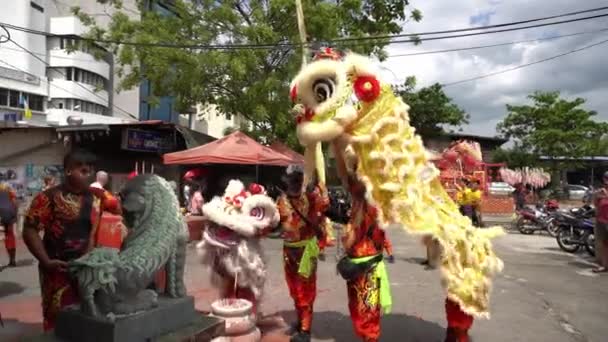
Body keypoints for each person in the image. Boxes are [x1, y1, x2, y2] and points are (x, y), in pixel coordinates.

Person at [22, 149, 121, 331]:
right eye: (83, 171)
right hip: (57, 267)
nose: (89, 175)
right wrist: (45, 260)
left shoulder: (98, 197)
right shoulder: (48, 197)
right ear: (68, 171)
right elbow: (29, 230)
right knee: (59, 318)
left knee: (88, 316)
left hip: (88, 269)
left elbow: (120, 210)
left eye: (91, 170)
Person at [277, 164, 329, 342]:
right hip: (288, 251)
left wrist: (320, 185)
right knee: (294, 289)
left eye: (298, 179)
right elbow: (275, 222)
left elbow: (325, 206)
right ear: (286, 181)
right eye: (292, 179)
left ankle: (305, 331)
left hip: (306, 250)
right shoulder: (281, 200)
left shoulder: (310, 197)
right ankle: (300, 322)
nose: (294, 183)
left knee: (305, 290)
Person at [341, 173, 392, 342]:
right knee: (357, 311)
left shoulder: (376, 205)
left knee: (368, 314)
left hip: (368, 268)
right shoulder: (357, 202)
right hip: (354, 268)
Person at [593, 171, 608, 273]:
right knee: (604, 244)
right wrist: (597, 197)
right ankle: (604, 265)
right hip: (602, 221)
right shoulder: (601, 192)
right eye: (606, 179)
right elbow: (596, 205)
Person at [0, 182, 18, 267]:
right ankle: (12, 260)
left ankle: (12, 260)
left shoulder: (8, 196)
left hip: (5, 220)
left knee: (8, 240)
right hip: (9, 220)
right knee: (10, 240)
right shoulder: (11, 195)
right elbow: (15, 206)